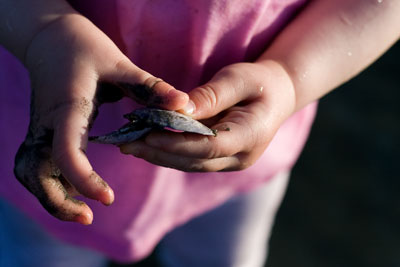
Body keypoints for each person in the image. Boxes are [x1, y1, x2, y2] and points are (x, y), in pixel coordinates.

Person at [0, 0, 399, 266]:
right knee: (42, 249)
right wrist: (42, 32)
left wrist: (290, 78)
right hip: (51, 135)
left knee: (223, 256)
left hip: (243, 152)